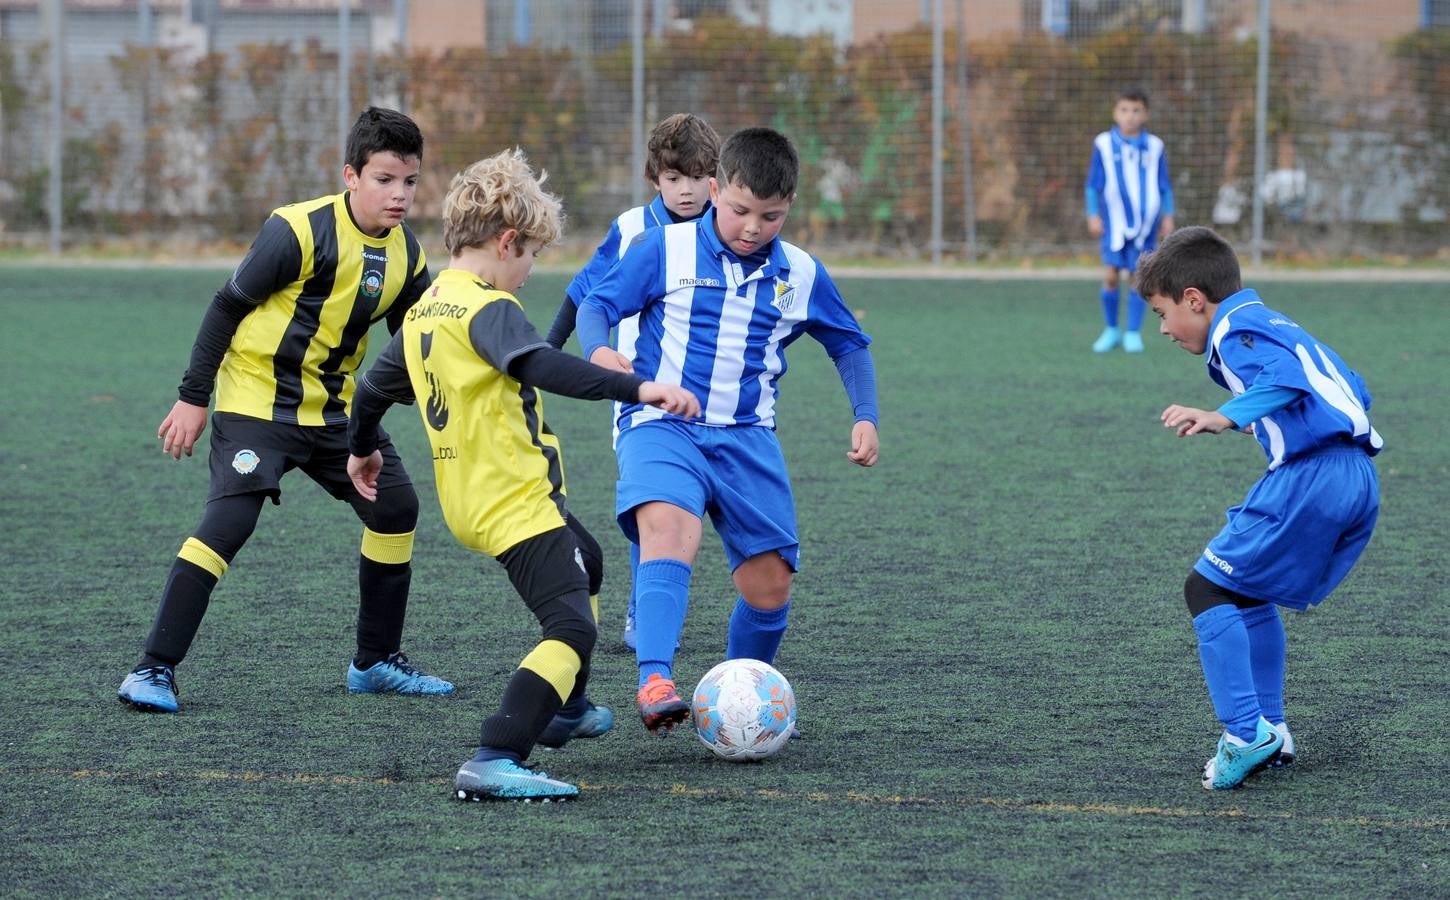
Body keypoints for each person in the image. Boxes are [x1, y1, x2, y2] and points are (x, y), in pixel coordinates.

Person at [346, 149, 700, 801]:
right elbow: (546, 366)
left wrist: (362, 447)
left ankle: (568, 707)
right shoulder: (488, 308)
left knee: (586, 560)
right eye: (532, 254)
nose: (531, 270)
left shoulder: (428, 309)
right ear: (506, 241)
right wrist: (639, 387)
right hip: (515, 503)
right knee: (570, 627)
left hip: (468, 502)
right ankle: (496, 754)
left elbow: (370, 393)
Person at [116, 107, 453, 713]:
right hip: (256, 405)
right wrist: (194, 398)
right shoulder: (295, 230)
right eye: (384, 180)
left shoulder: (407, 254)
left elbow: (416, 341)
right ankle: (152, 669)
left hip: (336, 414)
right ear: (350, 175)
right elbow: (225, 306)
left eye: (409, 181)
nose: (399, 195)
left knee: (396, 507)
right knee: (230, 523)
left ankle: (375, 662)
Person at [576, 127, 881, 734]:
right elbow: (598, 304)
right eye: (740, 210)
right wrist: (599, 350)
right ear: (715, 191)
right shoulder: (666, 248)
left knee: (769, 587)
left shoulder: (801, 273)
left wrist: (865, 415)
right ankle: (655, 678)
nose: (750, 227)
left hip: (747, 438)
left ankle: (740, 699)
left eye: (769, 216)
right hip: (662, 422)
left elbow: (849, 343)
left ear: (788, 208)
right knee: (668, 527)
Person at [1138, 226, 1382, 790]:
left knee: (1206, 588)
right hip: (1354, 473)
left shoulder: (1236, 326)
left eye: (1161, 312)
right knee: (1245, 591)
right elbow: (1352, 387)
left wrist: (1227, 414)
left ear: (1194, 299)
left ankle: (1246, 734)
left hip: (1313, 473)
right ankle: (1273, 729)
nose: (1164, 329)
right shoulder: (1279, 322)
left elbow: (1286, 379)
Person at [543, 112, 721, 652]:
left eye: (697, 176)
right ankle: (645, 608)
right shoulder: (631, 230)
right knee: (652, 499)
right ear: (655, 179)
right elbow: (582, 292)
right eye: (674, 178)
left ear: (716, 175)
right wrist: (545, 355)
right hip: (638, 396)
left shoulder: (732, 226)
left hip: (717, 397)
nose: (686, 190)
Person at [1086, 86, 1175, 354]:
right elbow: (1093, 185)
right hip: (1113, 224)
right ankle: (1111, 329)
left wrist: (1168, 216)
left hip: (1146, 225)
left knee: (1138, 277)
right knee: (1112, 275)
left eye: (1136, 111)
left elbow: (1164, 185)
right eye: (1124, 110)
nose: (1130, 116)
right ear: (1116, 112)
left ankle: (1132, 332)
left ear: (1145, 114)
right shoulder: (1103, 144)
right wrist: (1092, 214)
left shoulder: (1155, 146)